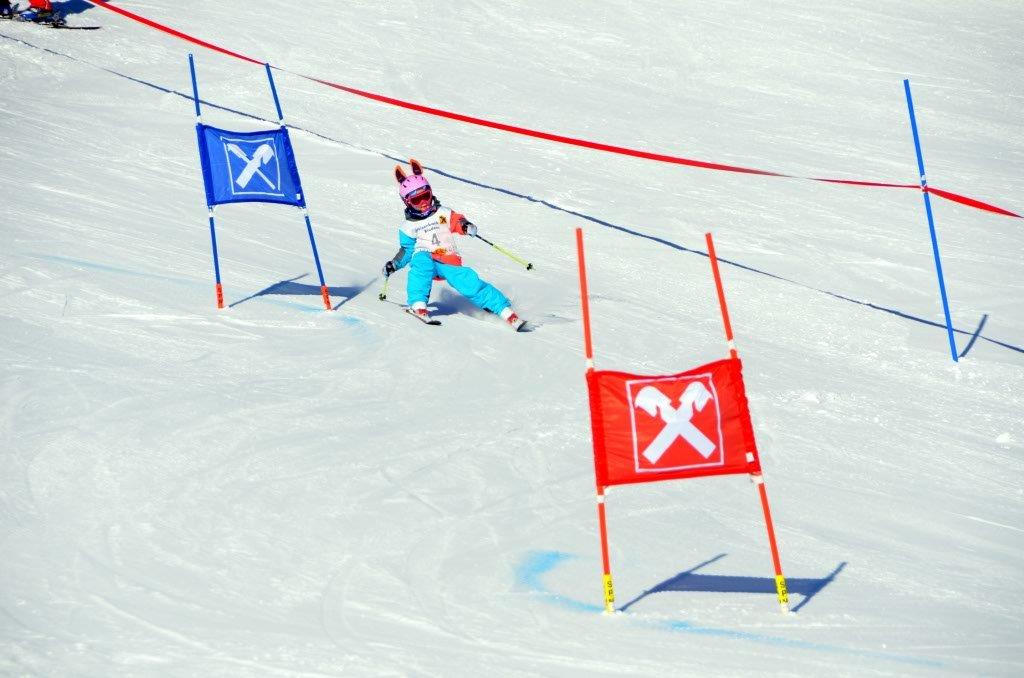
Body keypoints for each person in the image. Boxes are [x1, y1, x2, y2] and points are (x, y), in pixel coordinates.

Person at [382, 159, 526, 330]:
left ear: (430, 192)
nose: (423, 202)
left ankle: (504, 310)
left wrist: (465, 226)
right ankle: (418, 304)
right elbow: (407, 250)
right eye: (416, 200)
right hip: (425, 257)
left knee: (468, 282)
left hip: (447, 259)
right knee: (420, 263)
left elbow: (457, 221)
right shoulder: (407, 227)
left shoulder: (443, 213)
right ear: (407, 202)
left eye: (425, 196)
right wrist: (394, 264)